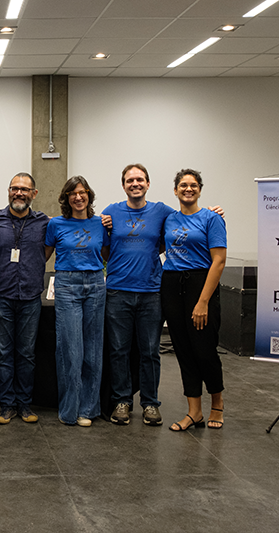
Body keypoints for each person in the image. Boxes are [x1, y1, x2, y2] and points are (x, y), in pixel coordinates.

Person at [102, 164, 173, 427]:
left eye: (140, 179)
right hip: (118, 292)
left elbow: (186, 221)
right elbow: (105, 250)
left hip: (151, 293)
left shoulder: (162, 211)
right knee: (119, 350)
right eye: (130, 180)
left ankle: (151, 403)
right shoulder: (110, 212)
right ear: (123, 185)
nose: (135, 183)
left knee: (150, 351)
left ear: (148, 183)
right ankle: (122, 400)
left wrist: (214, 212)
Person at [161, 169, 227, 431]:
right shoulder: (168, 219)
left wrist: (202, 302)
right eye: (183, 185)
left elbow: (219, 261)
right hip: (172, 284)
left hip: (201, 284)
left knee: (205, 350)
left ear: (200, 189)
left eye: (193, 185)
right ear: (175, 190)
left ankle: (218, 406)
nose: (188, 189)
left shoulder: (212, 218)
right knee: (184, 351)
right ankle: (194, 412)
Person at [45, 176, 108, 427]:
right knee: (71, 350)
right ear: (66, 198)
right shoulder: (56, 224)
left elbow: (107, 254)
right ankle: (69, 410)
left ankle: (88, 409)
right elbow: (43, 255)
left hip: (95, 284)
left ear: (89, 196)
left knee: (92, 350)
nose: (78, 197)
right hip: (66, 285)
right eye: (72, 193)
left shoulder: (101, 223)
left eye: (82, 193)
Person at [0, 173, 49, 424]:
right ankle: (6, 405)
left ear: (34, 194)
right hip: (0, 295)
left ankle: (24, 404)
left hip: (30, 296)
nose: (19, 193)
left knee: (26, 354)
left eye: (25, 189)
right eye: (15, 188)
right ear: (8, 191)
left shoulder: (44, 222)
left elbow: (48, 249)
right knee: (2, 353)